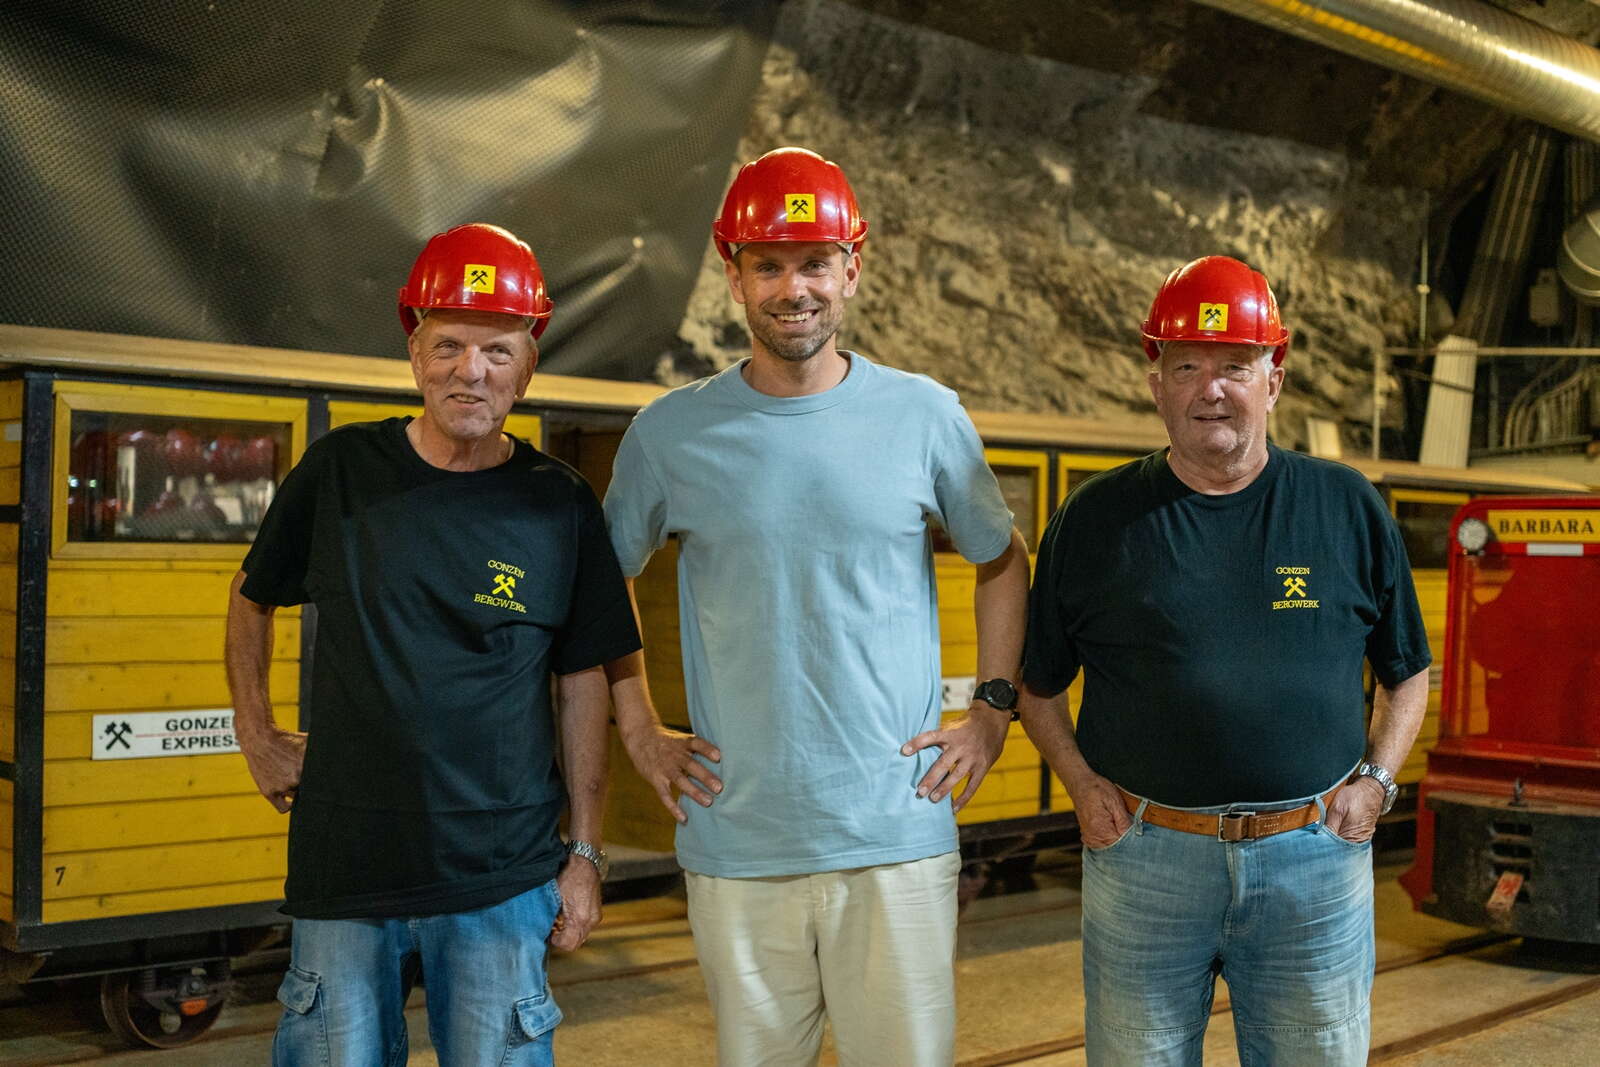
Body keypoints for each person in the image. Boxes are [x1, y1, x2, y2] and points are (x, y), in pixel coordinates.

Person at [602, 147, 1031, 1066]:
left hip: (896, 834)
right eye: (768, 264)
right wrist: (637, 727)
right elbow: (600, 588)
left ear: (852, 268)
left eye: (814, 262)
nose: (793, 288)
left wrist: (990, 714)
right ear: (733, 276)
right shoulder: (669, 433)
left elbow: (1002, 560)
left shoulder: (925, 416)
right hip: (738, 837)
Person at [226, 223, 641, 1066]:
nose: (471, 370)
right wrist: (255, 731)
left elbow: (581, 681)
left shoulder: (559, 504)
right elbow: (251, 594)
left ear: (528, 364)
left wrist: (586, 854)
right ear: (415, 352)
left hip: (500, 875)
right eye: (449, 344)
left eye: (497, 349)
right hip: (346, 869)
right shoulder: (341, 471)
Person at [1019, 256, 1433, 1066]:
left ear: (1273, 378)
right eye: (1187, 367)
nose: (1211, 389)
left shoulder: (1345, 506)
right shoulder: (1096, 519)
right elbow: (1037, 686)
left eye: (1236, 367)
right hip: (1145, 860)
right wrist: (1079, 783)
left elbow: (1407, 670)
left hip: (1314, 858)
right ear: (1156, 380)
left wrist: (1378, 782)